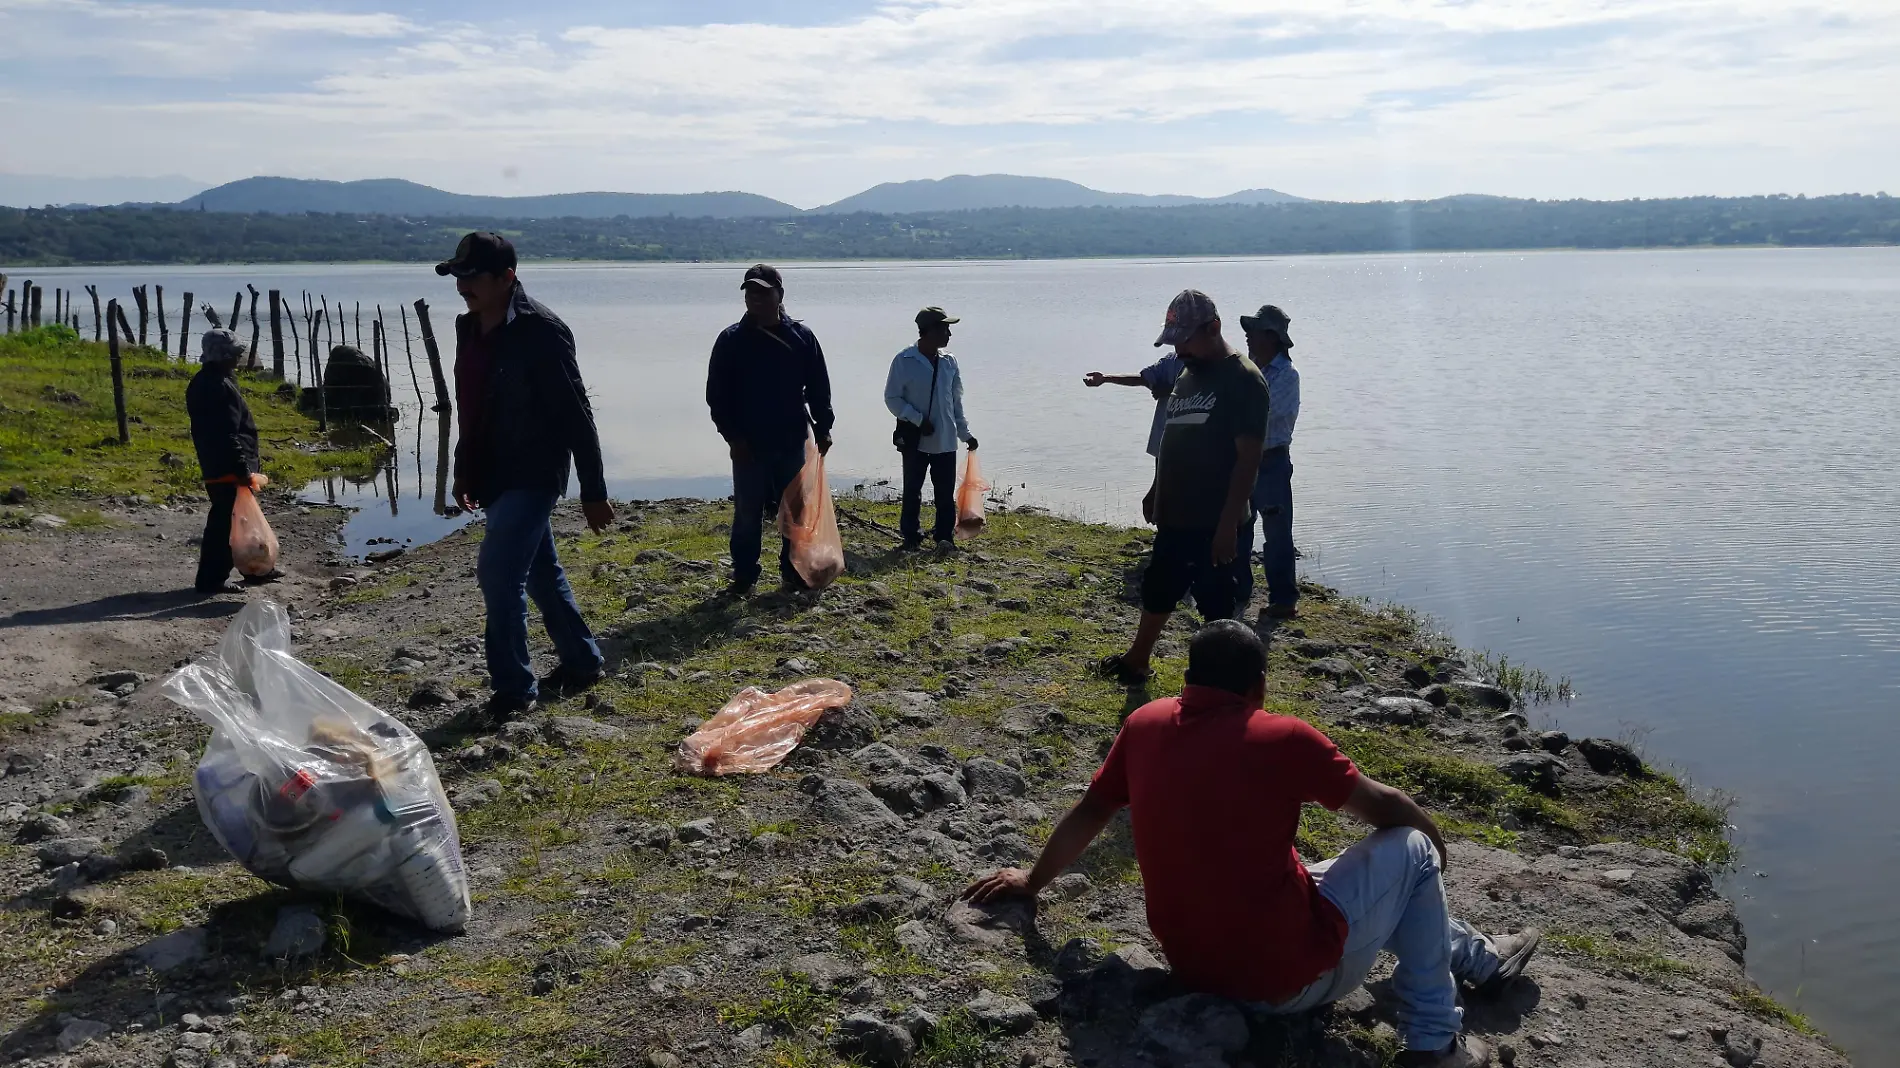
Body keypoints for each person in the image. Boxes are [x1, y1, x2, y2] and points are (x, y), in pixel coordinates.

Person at [966, 621, 1540, 1068]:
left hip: (1196, 967)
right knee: (1409, 853)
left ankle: (1478, 957)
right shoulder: (1280, 737)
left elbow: (1092, 809)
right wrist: (1436, 848)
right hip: (1286, 984)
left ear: (1187, 677)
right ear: (1258, 686)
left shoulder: (1143, 724)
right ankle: (1436, 1045)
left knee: (1329, 871)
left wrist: (1032, 882)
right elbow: (1388, 807)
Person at [439, 231, 613, 722]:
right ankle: (582, 661)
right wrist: (462, 468)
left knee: (498, 574)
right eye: (458, 276)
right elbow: (470, 407)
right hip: (492, 471)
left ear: (507, 277)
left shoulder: (543, 330)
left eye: (473, 278)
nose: (463, 286)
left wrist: (592, 490)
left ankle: (514, 690)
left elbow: (577, 413)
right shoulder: (467, 328)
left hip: (535, 470)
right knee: (540, 572)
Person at [1095, 290, 1265, 686]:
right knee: (1159, 587)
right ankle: (1137, 661)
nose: (1179, 348)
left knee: (1216, 605)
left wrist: (1227, 526)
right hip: (1176, 514)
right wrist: (1157, 488)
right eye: (1174, 340)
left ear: (1214, 329)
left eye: (1185, 339)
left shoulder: (1242, 379)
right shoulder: (1187, 374)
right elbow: (1173, 438)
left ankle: (1226, 686)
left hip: (1214, 519)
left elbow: (1249, 459)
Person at [706, 264, 835, 595]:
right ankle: (744, 576)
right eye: (750, 292)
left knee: (795, 509)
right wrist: (732, 437)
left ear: (780, 294)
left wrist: (824, 427)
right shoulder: (731, 340)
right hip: (748, 444)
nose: (756, 299)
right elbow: (716, 396)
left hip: (792, 440)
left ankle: (792, 571)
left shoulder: (802, 338)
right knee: (748, 513)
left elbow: (819, 388)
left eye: (763, 292)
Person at [885, 306, 977, 551]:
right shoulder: (904, 360)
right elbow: (892, 398)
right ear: (928, 332)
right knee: (912, 489)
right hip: (915, 439)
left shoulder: (950, 361)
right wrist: (917, 419)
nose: (949, 334)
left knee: (945, 494)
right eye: (944, 329)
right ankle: (910, 537)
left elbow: (956, 401)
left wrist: (965, 433)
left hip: (946, 440)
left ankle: (944, 537)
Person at [186, 328, 263, 595]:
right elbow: (226, 433)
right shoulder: (215, 386)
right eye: (235, 354)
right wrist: (242, 468)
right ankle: (211, 580)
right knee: (224, 525)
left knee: (242, 521)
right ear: (223, 356)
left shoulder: (213, 380)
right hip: (225, 467)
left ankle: (254, 567)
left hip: (222, 464)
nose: (238, 358)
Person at [1239, 304, 1301, 619]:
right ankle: (1238, 590)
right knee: (1239, 525)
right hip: (1243, 459)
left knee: (1276, 532)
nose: (1248, 337)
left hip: (1272, 461)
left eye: (1254, 331)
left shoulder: (1287, 376)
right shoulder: (1250, 371)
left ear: (1271, 336)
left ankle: (1284, 600)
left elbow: (1266, 414)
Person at [1082, 349, 1181, 461]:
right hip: (1164, 443)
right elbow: (1142, 379)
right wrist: (1105, 378)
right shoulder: (1170, 360)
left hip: (1193, 445)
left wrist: (1170, 391)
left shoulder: (1204, 361)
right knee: (1160, 478)